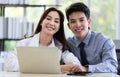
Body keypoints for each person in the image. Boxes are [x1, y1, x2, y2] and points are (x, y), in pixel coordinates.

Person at [5, 7, 81, 73]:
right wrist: (59, 68)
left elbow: (76, 64)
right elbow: (10, 64)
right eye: (48, 19)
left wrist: (30, 67)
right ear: (41, 21)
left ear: (59, 27)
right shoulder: (24, 44)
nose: (51, 23)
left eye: (56, 21)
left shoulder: (60, 47)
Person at [65, 2, 118, 73]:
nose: (78, 25)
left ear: (89, 22)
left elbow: (112, 66)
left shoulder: (104, 41)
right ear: (69, 26)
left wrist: (86, 68)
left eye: (81, 20)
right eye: (73, 21)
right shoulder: (68, 43)